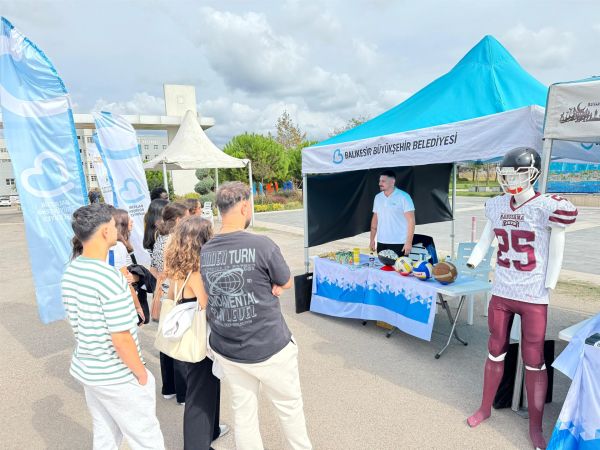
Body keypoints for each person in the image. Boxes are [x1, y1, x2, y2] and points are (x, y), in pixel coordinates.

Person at [466, 148, 578, 450]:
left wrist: (550, 282)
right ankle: (485, 408)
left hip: (532, 293)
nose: (512, 179)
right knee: (494, 349)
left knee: (534, 360)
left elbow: (558, 245)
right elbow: (486, 239)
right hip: (502, 289)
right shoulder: (498, 204)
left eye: (519, 172)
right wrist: (475, 259)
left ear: (533, 173)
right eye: (509, 173)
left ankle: (535, 427)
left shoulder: (546, 206)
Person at [200, 182, 312, 450]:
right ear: (244, 207)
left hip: (227, 348)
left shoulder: (206, 250)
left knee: (244, 415)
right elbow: (284, 281)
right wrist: (274, 285)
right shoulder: (262, 245)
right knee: (289, 409)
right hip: (270, 346)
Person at [62, 203, 164, 450]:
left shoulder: (71, 270)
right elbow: (121, 338)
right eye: (112, 224)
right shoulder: (109, 278)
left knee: (106, 435)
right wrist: (141, 374)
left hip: (90, 369)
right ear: (105, 231)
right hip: (117, 374)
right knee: (146, 438)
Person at [163, 216, 229, 449]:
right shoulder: (196, 272)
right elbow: (207, 305)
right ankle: (197, 445)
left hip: (186, 336)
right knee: (200, 397)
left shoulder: (177, 268)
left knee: (201, 390)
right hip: (199, 340)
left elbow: (171, 298)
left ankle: (210, 432)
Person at [151, 202, 190, 404]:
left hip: (164, 295)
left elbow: (155, 268)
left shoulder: (159, 240)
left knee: (166, 343)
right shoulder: (176, 242)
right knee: (178, 343)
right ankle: (183, 394)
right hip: (175, 296)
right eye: (186, 216)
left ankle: (169, 388)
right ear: (177, 220)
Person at [369, 169, 415, 256]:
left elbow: (411, 221)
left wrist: (408, 242)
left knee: (399, 269)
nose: (380, 183)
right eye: (379, 181)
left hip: (399, 242)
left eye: (383, 181)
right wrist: (372, 240)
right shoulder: (378, 197)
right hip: (381, 241)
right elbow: (375, 220)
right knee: (382, 269)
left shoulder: (404, 197)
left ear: (392, 182)